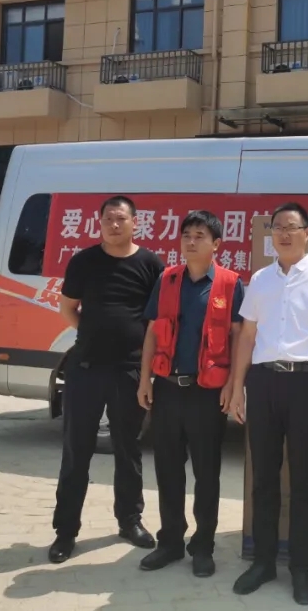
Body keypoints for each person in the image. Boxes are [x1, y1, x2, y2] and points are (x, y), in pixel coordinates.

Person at [226, 202, 308, 606]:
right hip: (263, 383)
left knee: (303, 481)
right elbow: (247, 336)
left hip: (307, 385)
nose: (283, 234)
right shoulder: (260, 279)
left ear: (307, 233)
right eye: (277, 227)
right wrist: (238, 387)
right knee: (263, 478)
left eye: (291, 227)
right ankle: (263, 562)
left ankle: (301, 568)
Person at [48, 195, 165, 564]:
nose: (115, 225)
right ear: (99, 223)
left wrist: (146, 373)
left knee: (128, 449)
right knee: (76, 450)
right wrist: (91, 334)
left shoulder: (150, 264)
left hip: (129, 370)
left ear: (135, 222)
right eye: (108, 219)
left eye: (121, 219)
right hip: (85, 369)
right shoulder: (83, 261)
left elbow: (155, 323)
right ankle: (65, 531)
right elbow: (68, 308)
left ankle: (130, 521)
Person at [136, 210, 245, 578]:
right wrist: (145, 380)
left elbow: (238, 338)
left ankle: (203, 545)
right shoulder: (167, 280)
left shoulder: (230, 284)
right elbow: (152, 332)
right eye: (186, 235)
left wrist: (233, 386)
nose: (191, 241)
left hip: (207, 394)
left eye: (200, 236)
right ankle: (170, 542)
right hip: (168, 390)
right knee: (167, 469)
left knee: (207, 473)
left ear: (216, 245)